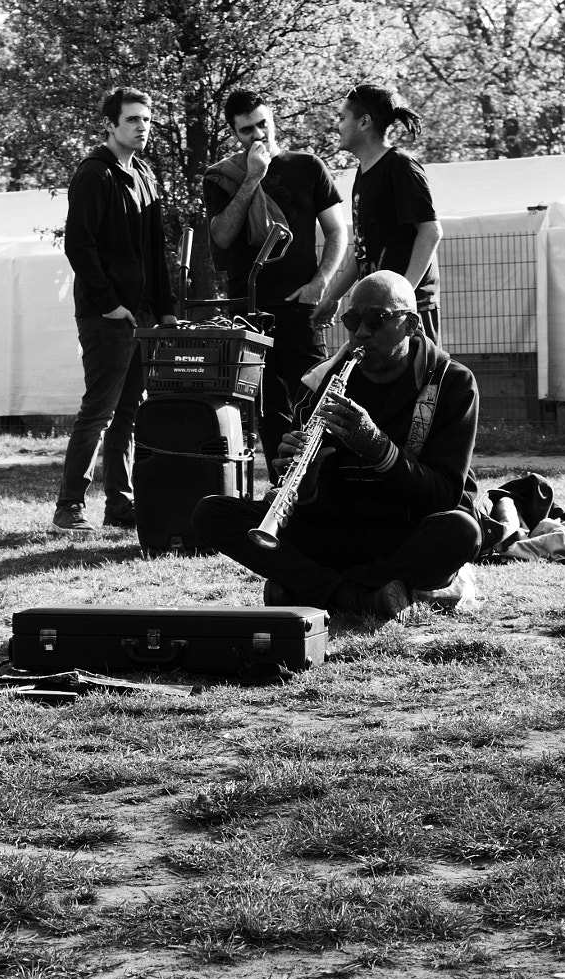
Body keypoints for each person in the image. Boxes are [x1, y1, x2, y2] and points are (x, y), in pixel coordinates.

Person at [191, 271, 481, 626]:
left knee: (462, 531)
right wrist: (307, 485)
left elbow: (444, 496)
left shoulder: (453, 382)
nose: (361, 333)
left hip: (406, 532)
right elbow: (320, 506)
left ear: (411, 325)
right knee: (212, 513)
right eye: (352, 320)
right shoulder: (322, 382)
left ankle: (310, 588)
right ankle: (358, 596)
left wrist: (377, 447)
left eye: (377, 320)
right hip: (338, 531)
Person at [54, 86, 181, 533]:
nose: (142, 128)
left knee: (131, 412)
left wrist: (164, 310)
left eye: (146, 120)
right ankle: (69, 507)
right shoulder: (94, 173)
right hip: (105, 316)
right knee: (100, 410)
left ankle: (120, 506)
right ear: (110, 125)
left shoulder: (143, 173)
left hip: (143, 315)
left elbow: (154, 251)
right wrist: (109, 305)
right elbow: (79, 245)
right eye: (132, 120)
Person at [202, 90, 351, 470]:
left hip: (300, 304)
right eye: (247, 129)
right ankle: (279, 485)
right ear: (235, 133)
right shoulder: (222, 176)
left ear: (273, 120)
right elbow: (220, 236)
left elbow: (337, 232)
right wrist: (253, 178)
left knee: (315, 393)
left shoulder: (308, 166)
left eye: (263, 123)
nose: (258, 134)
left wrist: (322, 282)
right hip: (248, 307)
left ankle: (323, 479)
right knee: (266, 408)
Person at [321, 83, 444, 343]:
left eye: (342, 118)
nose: (338, 126)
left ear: (364, 122)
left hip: (408, 312)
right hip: (375, 312)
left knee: (418, 383)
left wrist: (404, 296)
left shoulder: (400, 166)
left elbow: (431, 231)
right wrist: (332, 297)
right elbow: (363, 250)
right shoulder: (363, 173)